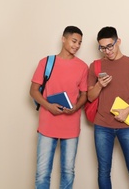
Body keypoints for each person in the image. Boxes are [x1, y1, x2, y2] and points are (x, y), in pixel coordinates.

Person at [29, 26, 89, 189]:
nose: (77, 46)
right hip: (47, 123)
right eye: (74, 41)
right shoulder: (46, 62)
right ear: (64, 39)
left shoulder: (83, 67)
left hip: (71, 125)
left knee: (68, 172)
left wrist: (76, 107)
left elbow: (84, 95)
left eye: (80, 43)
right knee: (42, 173)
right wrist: (49, 106)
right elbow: (33, 91)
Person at [87, 26, 129, 189]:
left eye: (109, 46)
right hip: (102, 125)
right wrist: (99, 85)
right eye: (102, 47)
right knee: (103, 171)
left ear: (118, 41)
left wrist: (128, 110)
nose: (107, 51)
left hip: (127, 124)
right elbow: (90, 97)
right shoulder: (95, 66)